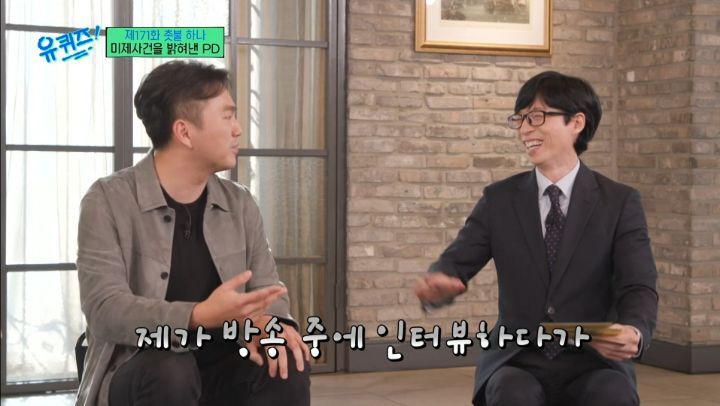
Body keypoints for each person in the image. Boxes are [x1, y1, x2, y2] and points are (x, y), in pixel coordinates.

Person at [415, 71, 658, 406]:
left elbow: (638, 284)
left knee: (611, 395)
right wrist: (438, 283)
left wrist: (634, 330)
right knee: (513, 393)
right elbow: (454, 264)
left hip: (593, 359)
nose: (525, 129)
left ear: (576, 122)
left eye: (537, 116)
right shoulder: (499, 200)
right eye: (520, 119)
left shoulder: (619, 202)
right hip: (516, 358)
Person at [76, 61, 311, 406]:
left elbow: (268, 290)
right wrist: (197, 316)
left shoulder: (240, 202)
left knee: (285, 357)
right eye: (227, 117)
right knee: (172, 368)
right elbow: (105, 309)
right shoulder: (107, 200)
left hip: (224, 363)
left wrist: (270, 322)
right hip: (141, 367)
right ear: (184, 132)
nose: (238, 129)